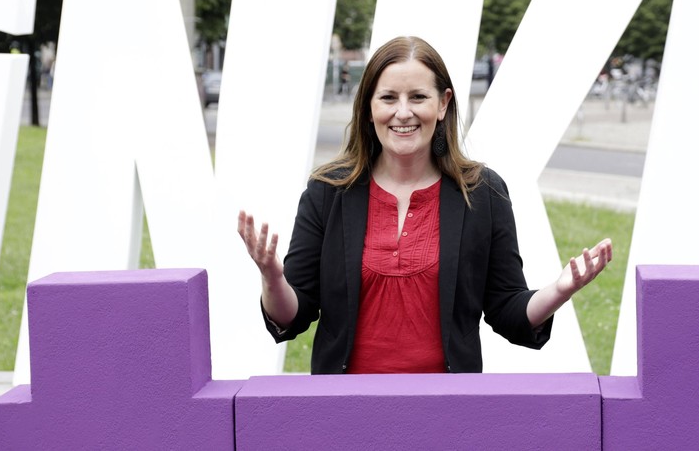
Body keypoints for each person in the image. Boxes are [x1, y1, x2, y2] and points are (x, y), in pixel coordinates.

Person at [238, 36, 612, 374]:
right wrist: (272, 276)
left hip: (448, 413)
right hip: (344, 410)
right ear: (368, 108)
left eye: (418, 97)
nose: (403, 112)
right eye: (388, 98)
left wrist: (559, 290)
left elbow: (507, 312)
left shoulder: (482, 192)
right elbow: (294, 315)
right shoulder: (328, 191)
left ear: (443, 104)